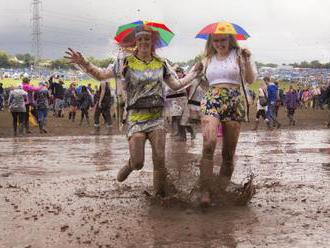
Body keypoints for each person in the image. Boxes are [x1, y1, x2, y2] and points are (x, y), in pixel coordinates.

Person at [65, 25, 202, 196]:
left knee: (159, 159)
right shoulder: (125, 62)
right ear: (135, 42)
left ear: (153, 42)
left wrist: (194, 73)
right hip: (136, 118)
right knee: (139, 162)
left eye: (147, 39)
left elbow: (176, 85)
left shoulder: (161, 63)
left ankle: (160, 197)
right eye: (141, 39)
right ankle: (131, 164)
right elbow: (101, 75)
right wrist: (83, 62)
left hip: (157, 117)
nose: (144, 42)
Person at [197, 33, 257, 207]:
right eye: (215, 40)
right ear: (211, 42)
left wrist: (246, 59)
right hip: (212, 99)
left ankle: (220, 190)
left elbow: (251, 79)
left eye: (223, 40)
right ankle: (205, 190)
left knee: (228, 154)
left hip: (234, 101)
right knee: (209, 143)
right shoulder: (207, 59)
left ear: (230, 40)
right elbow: (196, 82)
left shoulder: (239, 55)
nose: (219, 43)